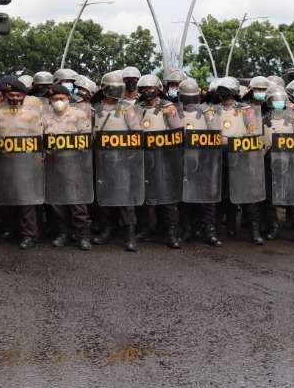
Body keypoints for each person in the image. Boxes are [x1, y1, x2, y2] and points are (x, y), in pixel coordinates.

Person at [0, 77, 45, 249]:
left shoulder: (33, 114)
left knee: (26, 200)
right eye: (10, 95)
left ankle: (29, 235)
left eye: (17, 95)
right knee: (7, 198)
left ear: (24, 95)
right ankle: (9, 231)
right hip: (5, 163)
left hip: (27, 162)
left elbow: (42, 136)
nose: (14, 98)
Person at [134, 73, 184, 249]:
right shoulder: (136, 107)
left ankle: (172, 233)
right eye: (144, 88)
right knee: (142, 194)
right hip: (141, 155)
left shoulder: (167, 107)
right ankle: (144, 229)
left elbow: (178, 132)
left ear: (158, 89)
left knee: (166, 194)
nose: (147, 91)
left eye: (151, 88)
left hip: (163, 155)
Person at [93, 70, 141, 252]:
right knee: (103, 196)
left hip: (122, 160)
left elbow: (136, 132)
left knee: (125, 198)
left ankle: (130, 235)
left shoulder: (127, 108)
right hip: (102, 159)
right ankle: (106, 230)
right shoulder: (95, 109)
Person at [216, 76, 266, 245]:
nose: (224, 95)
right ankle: (228, 227)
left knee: (247, 195)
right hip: (220, 155)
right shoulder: (213, 110)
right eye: (221, 91)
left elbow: (253, 133)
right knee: (224, 193)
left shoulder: (247, 110)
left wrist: (238, 142)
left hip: (242, 154)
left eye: (227, 91)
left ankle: (254, 230)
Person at [43, 83, 92, 250]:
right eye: (54, 99)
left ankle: (83, 236)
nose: (58, 102)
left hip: (74, 164)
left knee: (77, 201)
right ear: (50, 100)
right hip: (53, 165)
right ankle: (62, 234)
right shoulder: (44, 117)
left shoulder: (78, 115)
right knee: (57, 201)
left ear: (68, 99)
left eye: (61, 99)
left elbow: (86, 137)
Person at [262, 84, 294, 245]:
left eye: (280, 99)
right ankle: (274, 227)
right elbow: (262, 144)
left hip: (292, 162)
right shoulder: (265, 120)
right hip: (271, 162)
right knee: (270, 199)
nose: (278, 102)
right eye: (274, 99)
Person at [178, 78, 223, 247]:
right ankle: (187, 229)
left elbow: (215, 135)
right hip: (182, 160)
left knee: (207, 200)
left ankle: (209, 231)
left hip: (204, 160)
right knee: (185, 199)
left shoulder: (207, 113)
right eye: (187, 98)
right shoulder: (175, 113)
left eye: (193, 98)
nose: (190, 101)